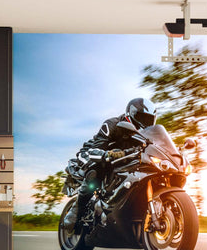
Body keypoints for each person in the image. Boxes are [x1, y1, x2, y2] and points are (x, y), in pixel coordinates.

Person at [65, 97, 158, 232]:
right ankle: (76, 210)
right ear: (131, 114)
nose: (145, 123)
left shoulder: (145, 135)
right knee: (95, 170)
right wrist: (108, 154)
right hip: (92, 154)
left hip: (120, 160)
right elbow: (94, 149)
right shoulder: (112, 124)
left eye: (148, 119)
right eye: (141, 118)